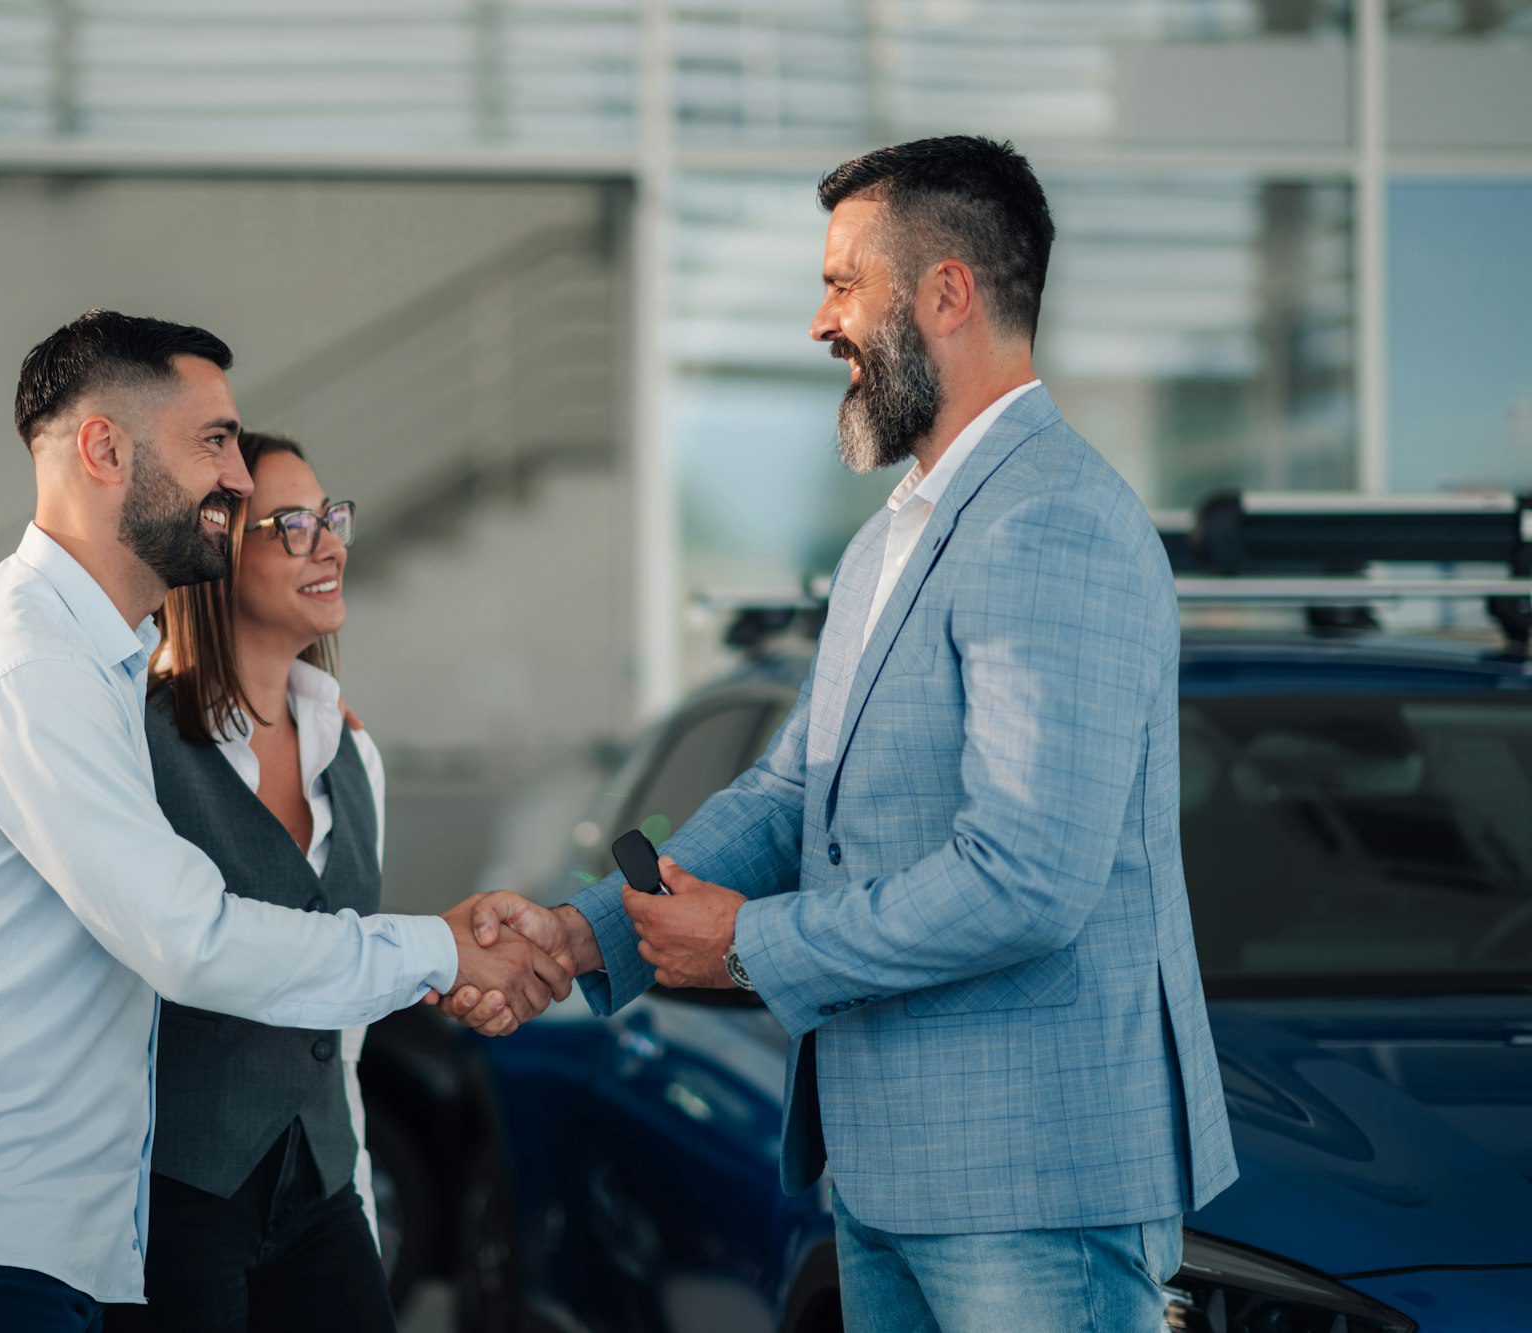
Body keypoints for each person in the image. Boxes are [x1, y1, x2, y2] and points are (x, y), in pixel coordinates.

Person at [449, 137, 1238, 1331]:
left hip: (1027, 1188)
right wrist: (580, 932)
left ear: (945, 293)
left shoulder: (1055, 524)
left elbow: (1025, 879)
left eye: (841, 283)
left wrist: (750, 945)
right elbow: (782, 795)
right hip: (885, 1178)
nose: (820, 322)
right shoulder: (888, 540)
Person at [0, 312, 567, 1333]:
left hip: (50, 1239)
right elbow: (186, 937)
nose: (241, 479)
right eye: (213, 440)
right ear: (103, 449)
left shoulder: (98, 668)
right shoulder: (33, 666)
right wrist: (440, 949)